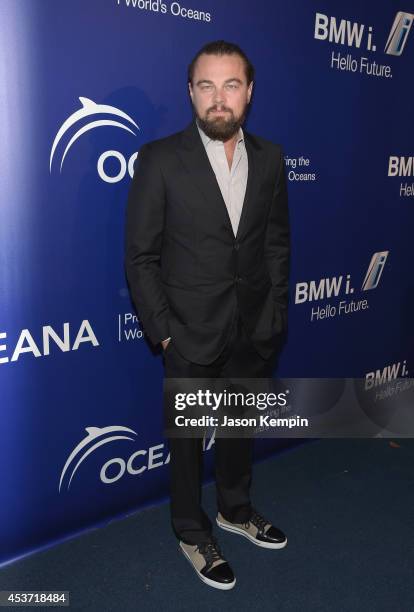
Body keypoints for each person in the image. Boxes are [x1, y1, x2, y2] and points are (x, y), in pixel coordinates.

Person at [125, 40, 290, 590]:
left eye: (231, 85)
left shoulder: (270, 159)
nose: (219, 98)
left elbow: (274, 242)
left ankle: (236, 511)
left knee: (240, 432)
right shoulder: (160, 159)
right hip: (189, 335)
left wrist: (274, 312)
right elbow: (141, 256)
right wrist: (164, 333)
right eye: (206, 85)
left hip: (253, 327)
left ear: (249, 92)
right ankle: (191, 530)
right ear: (190, 92)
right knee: (189, 446)